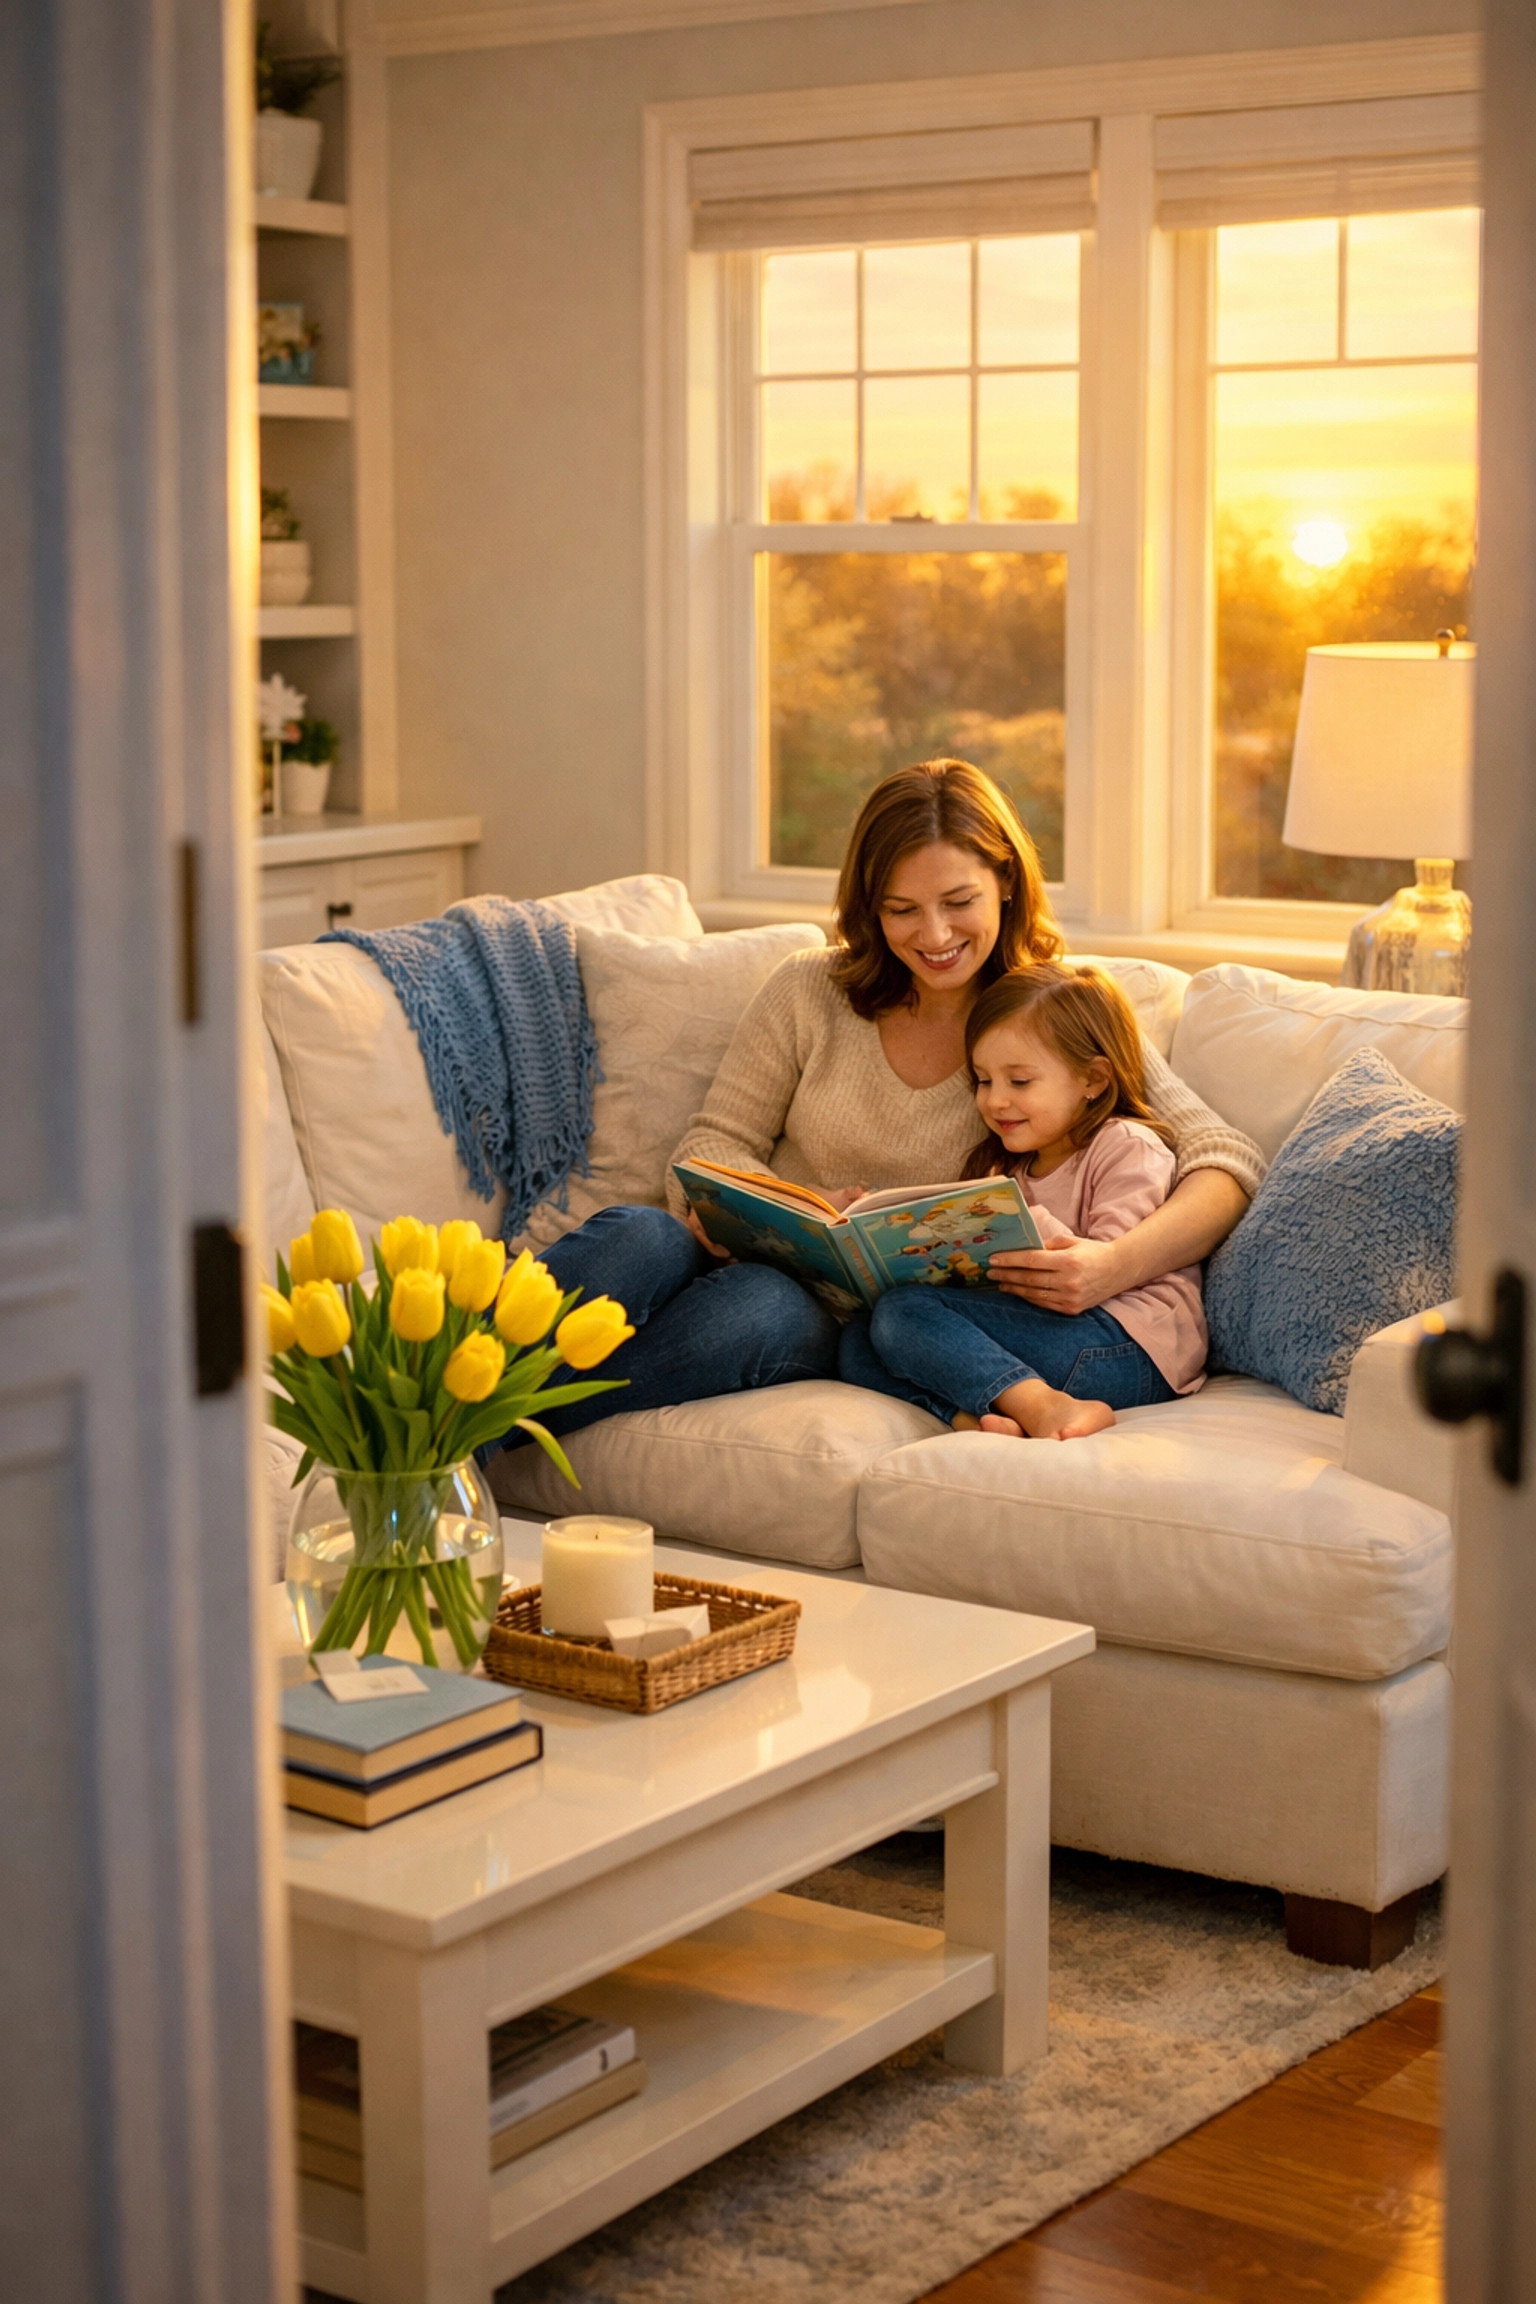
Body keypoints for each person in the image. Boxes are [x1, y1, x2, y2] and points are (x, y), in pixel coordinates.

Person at [490, 759, 1260, 1455]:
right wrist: (791, 1205)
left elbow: (1224, 1163)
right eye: (902, 909)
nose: (935, 934)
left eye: (959, 901)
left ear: (1005, 882)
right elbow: (710, 1145)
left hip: (834, 1319)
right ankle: (448, 1385)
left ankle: (472, 1429)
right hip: (747, 1254)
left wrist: (1111, 1266)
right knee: (640, 1233)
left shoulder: (1048, 1018)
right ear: (870, 906)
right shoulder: (808, 990)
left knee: (760, 1310)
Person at [838, 963, 1208, 1440]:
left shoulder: (1126, 1146)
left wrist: (1006, 1220)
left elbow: (1105, 1271)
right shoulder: (1007, 1166)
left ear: (1092, 1079)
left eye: (1019, 1082)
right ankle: (978, 1417)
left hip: (1129, 1344)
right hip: (1052, 1335)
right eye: (983, 1081)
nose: (995, 1101)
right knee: (857, 1337)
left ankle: (1043, 1406)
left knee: (901, 1313)